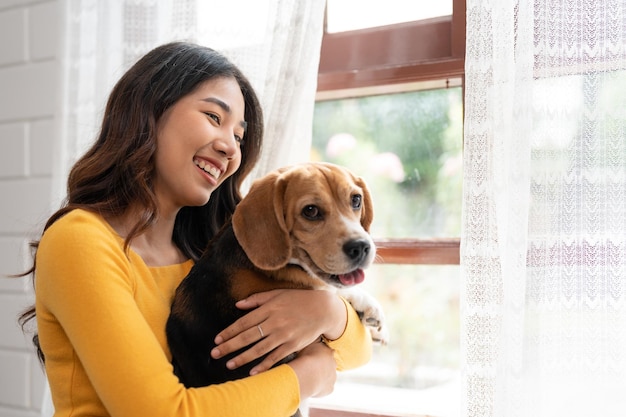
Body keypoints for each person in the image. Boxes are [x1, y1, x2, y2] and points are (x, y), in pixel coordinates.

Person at [17, 41, 372, 417]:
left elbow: (357, 352)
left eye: (239, 136)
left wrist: (328, 311)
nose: (230, 149)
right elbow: (163, 412)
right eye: (215, 118)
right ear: (149, 110)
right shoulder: (80, 241)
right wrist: (310, 375)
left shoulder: (209, 252)